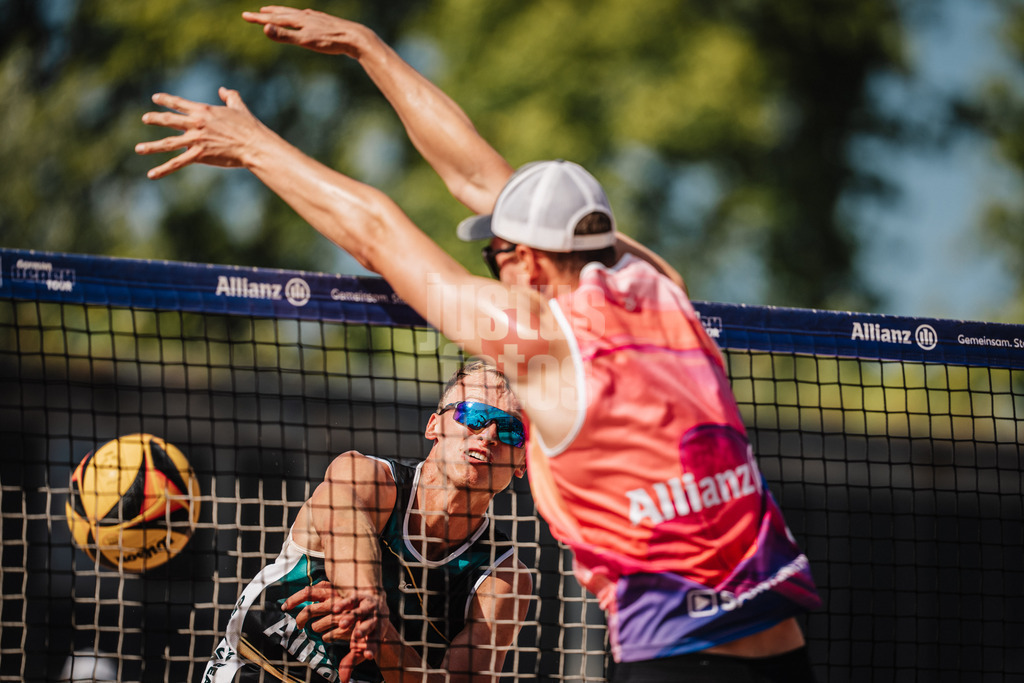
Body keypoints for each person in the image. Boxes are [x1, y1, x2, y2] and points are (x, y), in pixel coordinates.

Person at [138, 8, 821, 681]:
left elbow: (377, 232)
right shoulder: (667, 296)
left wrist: (255, 146)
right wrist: (367, 47)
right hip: (783, 646)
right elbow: (481, 182)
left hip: (677, 658)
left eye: (496, 256)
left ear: (528, 260)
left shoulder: (543, 343)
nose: (495, 270)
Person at [200, 361, 533, 683]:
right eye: (474, 415)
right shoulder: (363, 476)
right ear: (434, 426)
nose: (489, 434)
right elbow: (346, 528)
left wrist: (381, 636)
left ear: (522, 463)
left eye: (511, 429)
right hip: (259, 668)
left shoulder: (503, 579)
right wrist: (365, 600)